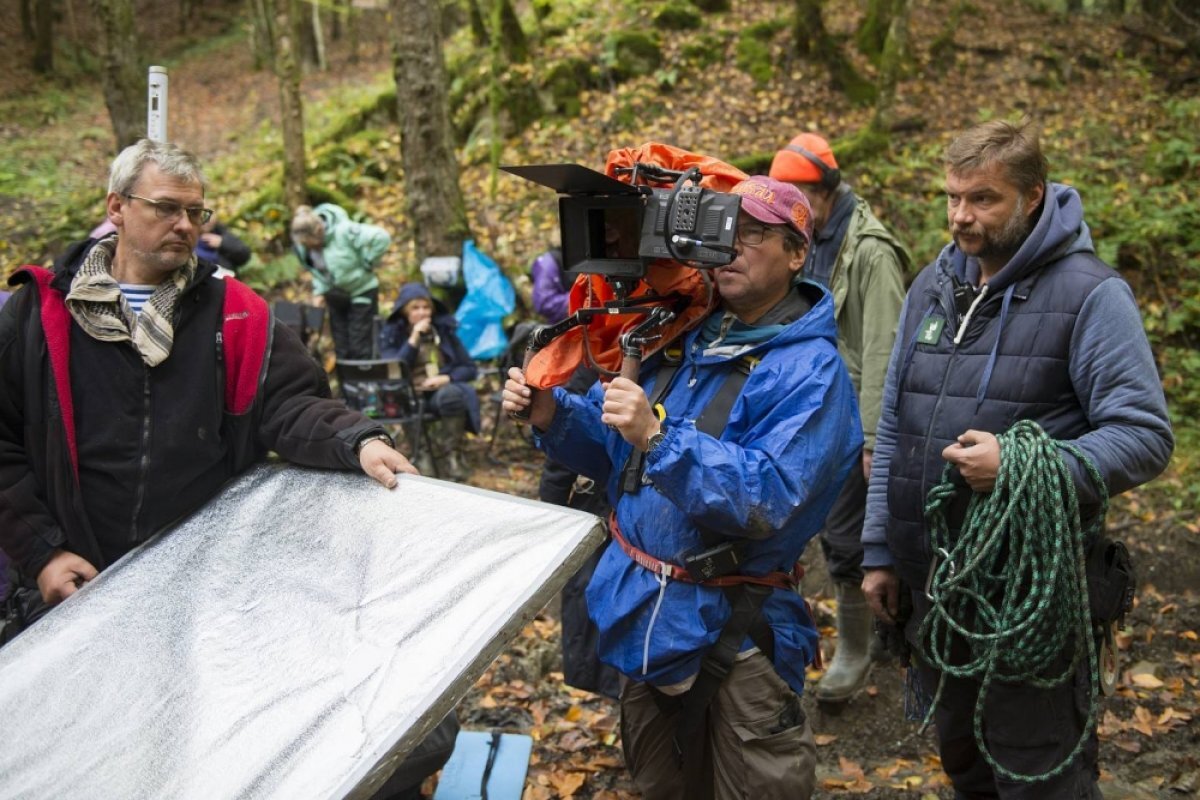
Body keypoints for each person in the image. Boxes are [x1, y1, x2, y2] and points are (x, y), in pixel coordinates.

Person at [503, 176, 862, 800]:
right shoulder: (688, 334)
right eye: (727, 232)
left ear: (798, 253)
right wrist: (552, 414)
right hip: (646, 621)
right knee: (661, 787)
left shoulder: (812, 370)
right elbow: (623, 455)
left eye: (755, 235)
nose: (734, 248)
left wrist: (659, 436)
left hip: (736, 634)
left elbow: (767, 496)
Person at [861, 120, 1174, 798]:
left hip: (1033, 602)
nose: (960, 217)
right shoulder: (930, 287)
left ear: (1033, 197)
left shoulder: (1091, 294)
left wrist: (1026, 465)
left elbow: (1145, 434)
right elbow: (895, 425)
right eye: (951, 198)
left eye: (983, 200)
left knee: (1038, 777)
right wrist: (881, 549)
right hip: (937, 590)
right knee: (965, 768)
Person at [0, 139, 417, 630]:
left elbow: (290, 402)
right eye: (166, 208)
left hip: (199, 591)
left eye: (196, 212)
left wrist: (358, 440)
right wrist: (43, 554)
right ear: (117, 206)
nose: (185, 225)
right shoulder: (39, 315)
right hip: (75, 584)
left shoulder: (235, 311)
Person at [769, 132, 909, 703]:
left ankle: (860, 647)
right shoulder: (808, 237)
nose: (794, 205)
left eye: (801, 193)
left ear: (826, 190)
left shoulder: (869, 250)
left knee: (850, 534)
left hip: (852, 415)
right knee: (815, 527)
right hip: (809, 406)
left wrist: (875, 436)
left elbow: (885, 349)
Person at [378, 282, 479, 479]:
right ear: (405, 312)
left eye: (426, 307)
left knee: (453, 394)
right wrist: (414, 338)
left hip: (436, 394)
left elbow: (469, 368)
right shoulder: (392, 335)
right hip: (407, 394)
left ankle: (452, 456)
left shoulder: (443, 332)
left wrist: (447, 378)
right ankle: (421, 455)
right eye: (415, 308)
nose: (422, 313)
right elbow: (395, 370)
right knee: (404, 400)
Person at [291, 203, 390, 361]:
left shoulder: (344, 230)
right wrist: (319, 291)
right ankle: (347, 383)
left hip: (361, 291)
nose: (310, 248)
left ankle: (365, 381)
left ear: (319, 231)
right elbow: (317, 270)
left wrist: (368, 262)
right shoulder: (303, 245)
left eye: (312, 243)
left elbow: (381, 237)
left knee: (360, 343)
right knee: (341, 345)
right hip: (335, 296)